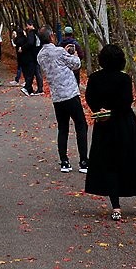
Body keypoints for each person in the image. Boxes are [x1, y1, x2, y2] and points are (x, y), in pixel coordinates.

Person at [84, 44, 136, 221]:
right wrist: (115, 112)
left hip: (103, 125)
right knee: (134, 161)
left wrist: (100, 111)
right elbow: (126, 101)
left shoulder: (94, 78)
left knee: (109, 163)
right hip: (124, 125)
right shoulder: (124, 79)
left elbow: (89, 98)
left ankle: (116, 207)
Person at [36, 26, 88, 173]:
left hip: (57, 96)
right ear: (52, 36)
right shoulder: (59, 52)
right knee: (81, 125)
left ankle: (64, 161)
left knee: (63, 128)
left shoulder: (40, 56)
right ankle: (84, 161)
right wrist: (75, 54)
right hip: (70, 93)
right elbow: (76, 64)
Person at [18, 23, 42, 96]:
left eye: (27, 25)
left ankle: (28, 87)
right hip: (37, 53)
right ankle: (37, 89)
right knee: (36, 72)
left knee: (32, 73)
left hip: (33, 55)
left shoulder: (32, 33)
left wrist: (23, 48)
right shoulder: (37, 33)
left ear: (31, 25)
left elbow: (30, 43)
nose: (27, 27)